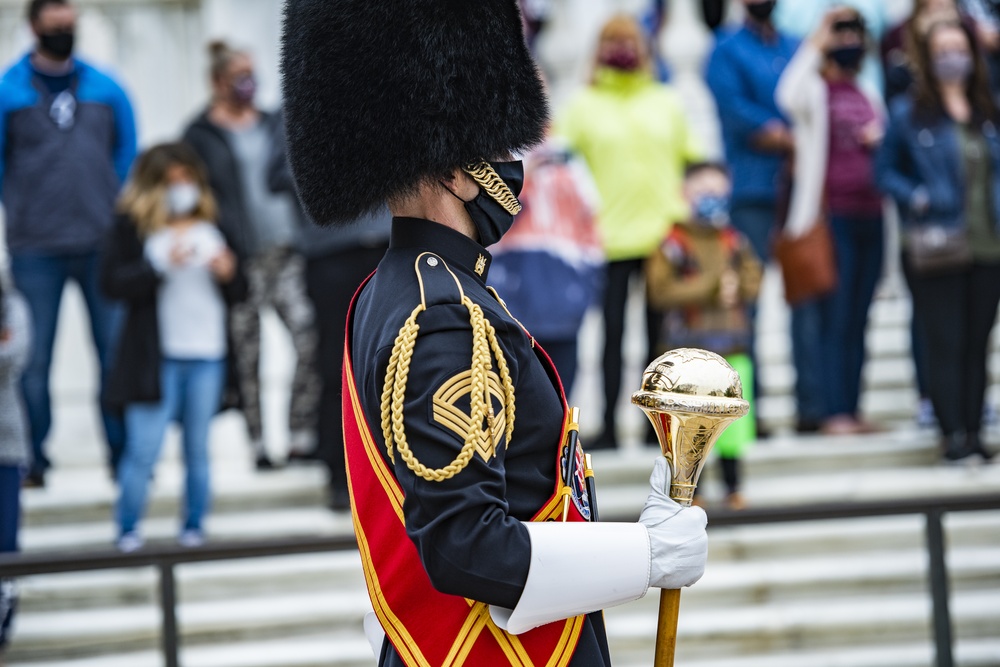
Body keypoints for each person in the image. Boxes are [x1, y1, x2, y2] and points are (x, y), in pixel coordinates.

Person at [281, 1, 710, 665]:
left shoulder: (398, 290)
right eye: (501, 145)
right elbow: (465, 545)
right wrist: (646, 553)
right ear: (453, 167)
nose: (517, 164)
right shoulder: (442, 313)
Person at [0, 0, 137, 487]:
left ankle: (123, 458)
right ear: (34, 27)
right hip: (36, 247)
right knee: (33, 360)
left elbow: (126, 151)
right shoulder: (8, 90)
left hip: (100, 243)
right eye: (54, 26)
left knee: (113, 352)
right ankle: (33, 459)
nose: (63, 33)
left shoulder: (106, 87)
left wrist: (109, 200)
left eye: (70, 26)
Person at [557, 14, 704, 449]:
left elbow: (693, 163)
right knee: (612, 338)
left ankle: (653, 426)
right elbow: (562, 165)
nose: (621, 50)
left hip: (663, 239)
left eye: (629, 41)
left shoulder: (666, 101)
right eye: (612, 42)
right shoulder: (582, 106)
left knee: (661, 341)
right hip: (610, 238)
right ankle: (607, 422)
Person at [101, 143, 247, 552]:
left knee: (198, 450)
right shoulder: (133, 227)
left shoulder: (215, 222)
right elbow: (110, 283)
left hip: (208, 355)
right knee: (143, 449)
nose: (180, 190)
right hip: (156, 358)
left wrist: (229, 271)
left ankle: (194, 526)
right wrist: (159, 264)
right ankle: (128, 529)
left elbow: (242, 288)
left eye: (186, 181)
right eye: (170, 183)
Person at [182, 41, 320, 470]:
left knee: (308, 334)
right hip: (241, 258)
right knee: (248, 353)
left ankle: (300, 433)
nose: (249, 83)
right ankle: (258, 443)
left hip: (287, 251)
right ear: (218, 81)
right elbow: (195, 198)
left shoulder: (273, 122)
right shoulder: (200, 135)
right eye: (239, 75)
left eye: (251, 73)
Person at [876, 19, 1000, 463]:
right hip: (937, 242)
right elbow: (885, 170)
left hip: (988, 244)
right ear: (928, 58)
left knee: (976, 342)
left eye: (960, 47)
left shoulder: (989, 109)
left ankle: (974, 430)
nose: (953, 57)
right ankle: (952, 435)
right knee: (945, 340)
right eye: (943, 49)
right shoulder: (910, 112)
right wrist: (919, 196)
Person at [706, 0, 828, 435]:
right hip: (753, 191)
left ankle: (812, 408)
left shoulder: (796, 46)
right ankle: (747, 418)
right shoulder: (725, 48)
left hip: (799, 192)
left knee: (806, 301)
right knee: (747, 307)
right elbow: (738, 112)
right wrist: (790, 136)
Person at [266, 109, 391, 511]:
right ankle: (342, 476)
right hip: (331, 255)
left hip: (390, 249)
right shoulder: (294, 108)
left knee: (397, 364)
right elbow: (277, 176)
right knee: (338, 368)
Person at [777, 8, 886, 435]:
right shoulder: (814, 91)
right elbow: (786, 94)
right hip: (831, 217)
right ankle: (832, 411)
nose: (847, 41)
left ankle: (852, 409)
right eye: (839, 34)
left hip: (871, 216)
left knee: (859, 317)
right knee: (834, 318)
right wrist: (819, 36)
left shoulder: (867, 91)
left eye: (853, 33)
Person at [646, 162, 761, 510]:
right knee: (688, 429)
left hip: (732, 345)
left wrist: (738, 286)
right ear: (686, 193)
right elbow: (660, 291)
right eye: (703, 190)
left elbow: (755, 278)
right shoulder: (672, 243)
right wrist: (710, 287)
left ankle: (734, 486)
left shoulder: (734, 240)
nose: (711, 198)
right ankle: (689, 492)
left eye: (718, 190)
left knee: (733, 430)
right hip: (686, 353)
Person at [488, 134, 603, 398]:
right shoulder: (493, 154)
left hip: (563, 292)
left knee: (561, 393)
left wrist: (589, 284)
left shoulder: (567, 155)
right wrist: (524, 180)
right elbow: (488, 216)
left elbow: (591, 221)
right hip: (509, 295)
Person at [0, 276, 32, 650]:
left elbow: (14, 356)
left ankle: (3, 637)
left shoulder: (12, 302)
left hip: (7, 446)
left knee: (7, 547)